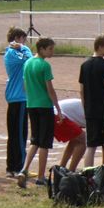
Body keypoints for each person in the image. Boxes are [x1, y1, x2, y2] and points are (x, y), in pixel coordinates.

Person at [16, 37, 64, 188]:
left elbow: (25, 85)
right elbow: (50, 89)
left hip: (31, 104)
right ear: (42, 49)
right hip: (44, 106)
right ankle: (41, 176)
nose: (52, 52)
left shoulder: (28, 63)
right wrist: (58, 108)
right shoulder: (44, 65)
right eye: (50, 49)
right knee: (44, 143)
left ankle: (24, 169)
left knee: (35, 140)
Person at [78, 33, 104, 168]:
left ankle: (87, 173)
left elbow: (81, 90)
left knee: (91, 146)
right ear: (100, 47)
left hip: (90, 110)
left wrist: (85, 109)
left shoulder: (85, 65)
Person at [3, 27, 32, 176]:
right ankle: (20, 167)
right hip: (19, 97)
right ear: (17, 39)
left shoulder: (12, 53)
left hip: (17, 97)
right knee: (20, 135)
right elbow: (30, 60)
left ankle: (12, 167)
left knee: (15, 134)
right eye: (23, 39)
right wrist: (22, 48)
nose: (24, 42)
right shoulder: (13, 53)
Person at [54, 98, 87, 170]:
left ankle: (61, 168)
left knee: (75, 140)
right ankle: (71, 171)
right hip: (58, 116)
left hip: (53, 114)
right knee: (82, 140)